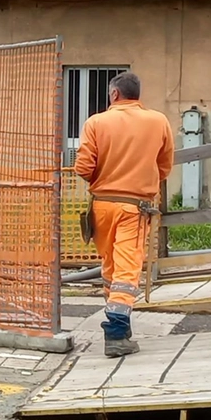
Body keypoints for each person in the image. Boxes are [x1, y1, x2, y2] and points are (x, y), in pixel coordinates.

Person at [73, 72, 174, 357]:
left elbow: (83, 168)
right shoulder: (158, 121)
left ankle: (120, 322)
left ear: (115, 94)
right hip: (135, 207)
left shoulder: (96, 122)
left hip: (102, 206)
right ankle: (117, 332)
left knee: (111, 268)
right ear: (136, 94)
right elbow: (164, 166)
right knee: (127, 269)